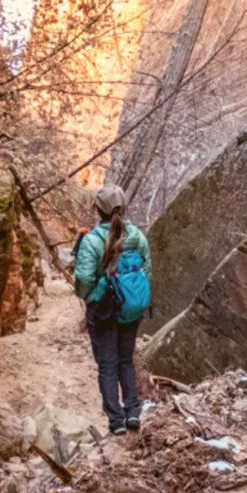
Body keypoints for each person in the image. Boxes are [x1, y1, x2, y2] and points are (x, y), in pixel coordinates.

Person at [74, 184, 151, 436]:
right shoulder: (137, 236)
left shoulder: (93, 240)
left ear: (98, 210)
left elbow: (84, 277)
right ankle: (133, 412)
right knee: (126, 360)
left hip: (103, 310)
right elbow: (147, 269)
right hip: (131, 308)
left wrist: (89, 296)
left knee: (107, 365)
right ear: (124, 207)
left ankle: (116, 421)